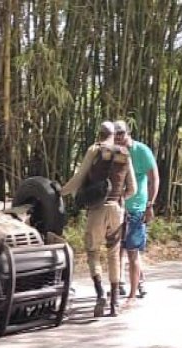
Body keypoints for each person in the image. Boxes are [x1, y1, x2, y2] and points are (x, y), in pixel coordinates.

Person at [62, 121, 137, 317]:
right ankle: (113, 305)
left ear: (99, 133)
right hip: (116, 210)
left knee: (93, 252)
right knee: (113, 254)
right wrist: (119, 198)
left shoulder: (95, 150)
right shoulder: (124, 153)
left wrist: (60, 191)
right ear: (114, 135)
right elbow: (133, 189)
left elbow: (79, 178)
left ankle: (100, 293)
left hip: (96, 210)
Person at [114, 120, 159, 306]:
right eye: (115, 134)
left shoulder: (141, 151)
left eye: (121, 133)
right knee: (118, 249)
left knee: (133, 250)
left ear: (128, 133)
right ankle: (121, 284)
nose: (119, 137)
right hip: (117, 207)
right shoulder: (112, 152)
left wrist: (150, 204)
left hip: (136, 207)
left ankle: (135, 288)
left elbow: (154, 178)